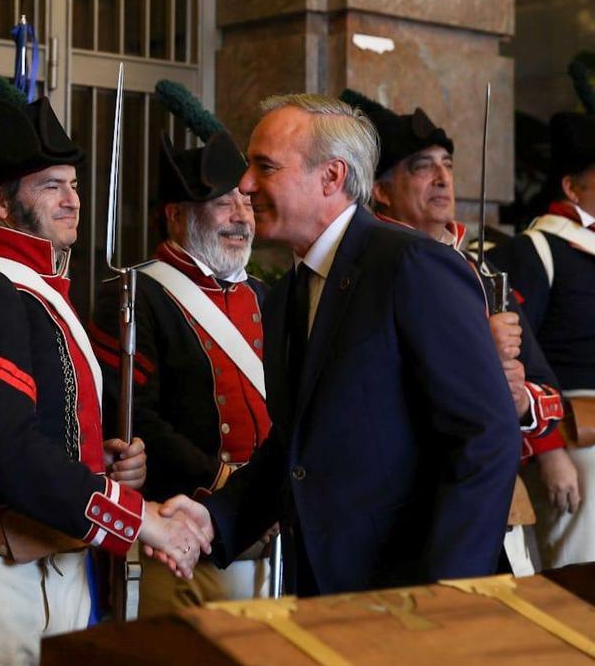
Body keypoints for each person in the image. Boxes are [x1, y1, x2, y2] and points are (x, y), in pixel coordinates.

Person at [168, 93, 521, 596]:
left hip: (417, 599)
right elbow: (296, 448)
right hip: (328, 594)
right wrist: (211, 519)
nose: (245, 185)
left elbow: (485, 437)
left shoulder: (409, 266)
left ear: (331, 177)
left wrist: (445, 595)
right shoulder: (288, 291)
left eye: (264, 167)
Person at [0, 96, 209, 666]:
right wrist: (137, 518)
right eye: (50, 186)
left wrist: (107, 465)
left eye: (73, 183)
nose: (73, 199)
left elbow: (47, 432)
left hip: (58, 557)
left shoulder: (38, 287)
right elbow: (8, 450)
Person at [348, 91, 568, 575]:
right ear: (381, 190)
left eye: (446, 164)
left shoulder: (479, 270)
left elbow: (546, 396)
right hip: (396, 516)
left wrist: (518, 400)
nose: (442, 178)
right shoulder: (363, 272)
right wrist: (480, 360)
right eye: (422, 167)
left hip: (481, 504)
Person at [91, 130, 274, 609]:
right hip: (183, 545)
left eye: (246, 202)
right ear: (175, 215)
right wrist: (228, 486)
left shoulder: (267, 297)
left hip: (271, 548)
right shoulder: (133, 293)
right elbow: (135, 420)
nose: (241, 217)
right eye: (222, 203)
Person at [490, 109, 595, 569]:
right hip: (578, 435)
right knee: (581, 582)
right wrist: (550, 453)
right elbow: (519, 361)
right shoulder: (533, 252)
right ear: (572, 188)